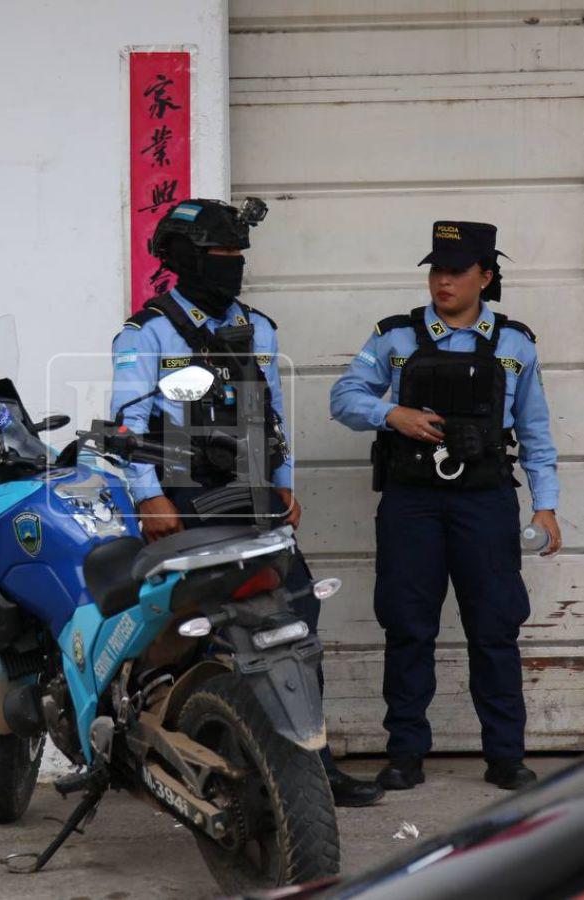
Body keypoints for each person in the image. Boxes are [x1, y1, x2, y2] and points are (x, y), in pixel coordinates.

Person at [111, 197, 384, 807]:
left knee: (294, 624)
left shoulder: (259, 327)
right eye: (218, 255)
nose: (231, 266)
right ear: (183, 260)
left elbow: (273, 413)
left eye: (237, 255)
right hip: (184, 501)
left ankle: (314, 767)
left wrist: (284, 480)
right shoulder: (148, 332)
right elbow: (128, 423)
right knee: (195, 631)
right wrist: (149, 498)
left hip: (255, 499)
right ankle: (192, 762)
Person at [330, 221, 561, 792]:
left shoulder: (515, 344)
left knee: (496, 626)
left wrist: (546, 505)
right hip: (414, 501)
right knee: (408, 626)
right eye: (436, 270)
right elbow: (344, 396)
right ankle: (406, 752)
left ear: (485, 276)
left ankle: (506, 756)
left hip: (485, 500)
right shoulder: (395, 337)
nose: (443, 281)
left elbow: (534, 431)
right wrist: (393, 415)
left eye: (456, 271)